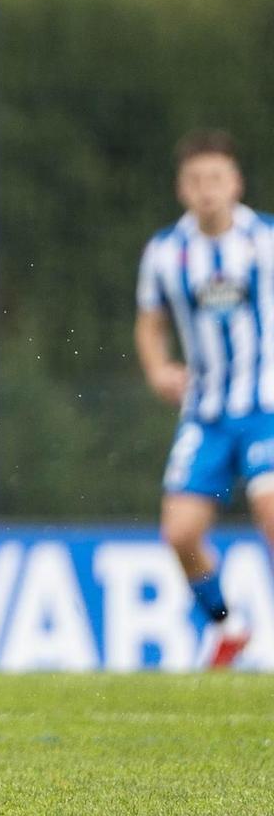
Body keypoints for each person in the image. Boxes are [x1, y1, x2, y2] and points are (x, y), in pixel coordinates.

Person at [134, 129, 261, 670]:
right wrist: (159, 368)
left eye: (216, 178)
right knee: (180, 533)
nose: (207, 190)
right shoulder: (166, 251)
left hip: (265, 410)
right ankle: (229, 628)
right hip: (205, 414)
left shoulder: (267, 242)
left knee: (272, 512)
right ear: (181, 189)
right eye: (195, 180)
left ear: (235, 183)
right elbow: (150, 321)